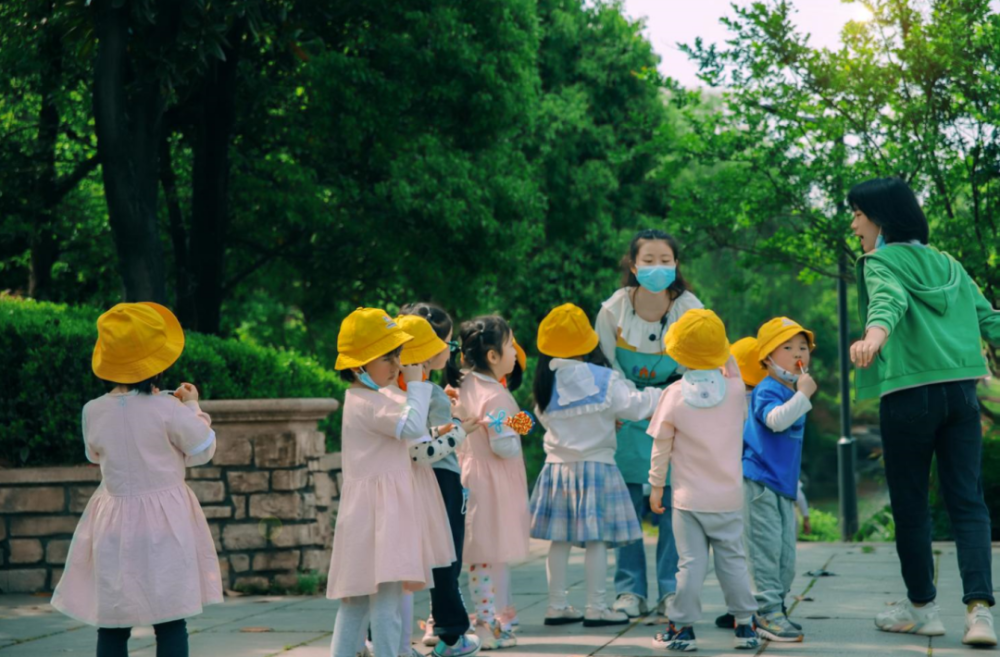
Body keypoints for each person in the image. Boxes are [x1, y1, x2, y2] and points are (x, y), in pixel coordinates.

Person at [848, 176, 1000, 646]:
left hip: (910, 395)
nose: (853, 224)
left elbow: (888, 300)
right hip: (960, 394)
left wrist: (874, 336)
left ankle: (922, 609)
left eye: (856, 213)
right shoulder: (949, 264)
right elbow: (990, 319)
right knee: (968, 501)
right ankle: (980, 614)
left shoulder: (880, 260)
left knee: (911, 505)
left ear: (880, 218)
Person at [51, 302, 222, 657]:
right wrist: (192, 406)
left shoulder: (92, 411)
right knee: (171, 618)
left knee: (113, 621)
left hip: (113, 524)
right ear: (156, 365)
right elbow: (204, 447)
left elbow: (94, 455)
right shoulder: (168, 409)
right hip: (165, 525)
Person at [326, 308, 453, 657]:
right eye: (387, 357)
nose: (397, 363)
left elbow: (410, 431)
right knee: (384, 605)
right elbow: (410, 426)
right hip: (381, 518)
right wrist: (417, 384)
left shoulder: (371, 399)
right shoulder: (367, 403)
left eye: (397, 354)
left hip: (375, 515)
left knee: (361, 605)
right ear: (358, 366)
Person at [529, 304, 662, 628]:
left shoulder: (546, 383)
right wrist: (665, 394)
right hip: (597, 469)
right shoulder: (605, 379)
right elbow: (634, 407)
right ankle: (597, 607)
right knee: (596, 542)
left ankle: (557, 605)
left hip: (557, 469)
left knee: (558, 542)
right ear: (588, 343)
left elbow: (547, 420)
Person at [596, 229, 703, 619]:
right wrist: (632, 403)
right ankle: (629, 591)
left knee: (674, 504)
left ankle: (670, 590)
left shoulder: (690, 309)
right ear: (633, 265)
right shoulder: (613, 310)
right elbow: (604, 367)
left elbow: (698, 365)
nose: (657, 268)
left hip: (675, 411)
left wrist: (668, 402)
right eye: (649, 260)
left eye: (665, 260)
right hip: (624, 413)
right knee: (625, 504)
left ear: (675, 265)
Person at [645, 310, 760, 652]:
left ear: (677, 352)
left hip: (687, 499)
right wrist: (722, 349)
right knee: (734, 562)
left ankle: (681, 629)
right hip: (727, 498)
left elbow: (660, 447)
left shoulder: (674, 395)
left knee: (690, 565)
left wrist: (655, 486)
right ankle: (745, 625)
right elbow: (734, 369)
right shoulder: (737, 391)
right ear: (722, 350)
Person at [448, 315, 530, 650]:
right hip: (491, 483)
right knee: (488, 554)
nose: (514, 352)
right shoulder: (496, 395)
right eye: (510, 345)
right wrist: (518, 429)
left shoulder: (462, 384)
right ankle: (486, 623)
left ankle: (473, 620)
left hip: (467, 475)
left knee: (474, 553)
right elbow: (503, 444)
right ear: (493, 356)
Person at [741, 317, 817, 642]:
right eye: (787, 348)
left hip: (782, 486)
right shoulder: (767, 389)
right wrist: (802, 397)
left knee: (786, 555)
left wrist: (800, 395)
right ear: (767, 358)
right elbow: (775, 422)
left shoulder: (789, 389)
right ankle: (766, 612)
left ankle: (775, 607)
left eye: (803, 347)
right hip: (760, 483)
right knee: (765, 550)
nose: (797, 353)